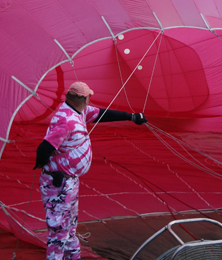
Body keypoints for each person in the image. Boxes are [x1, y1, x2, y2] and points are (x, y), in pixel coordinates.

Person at [33, 81, 147, 260]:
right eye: (89, 97)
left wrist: (131, 117)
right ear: (84, 98)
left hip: (69, 181)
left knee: (70, 225)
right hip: (58, 183)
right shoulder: (65, 120)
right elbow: (44, 148)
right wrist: (48, 168)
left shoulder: (79, 111)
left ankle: (73, 256)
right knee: (58, 229)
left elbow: (103, 114)